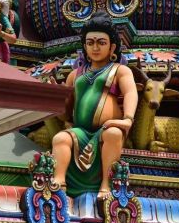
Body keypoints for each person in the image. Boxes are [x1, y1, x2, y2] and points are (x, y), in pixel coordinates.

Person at [52, 12, 137, 199]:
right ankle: (58, 182)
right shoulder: (75, 75)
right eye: (90, 43)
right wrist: (55, 98)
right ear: (84, 46)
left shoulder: (119, 70)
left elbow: (131, 92)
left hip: (106, 129)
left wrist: (127, 119)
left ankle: (106, 184)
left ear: (112, 46)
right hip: (80, 131)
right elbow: (65, 113)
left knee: (114, 134)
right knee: (60, 139)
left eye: (101, 42)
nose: (95, 47)